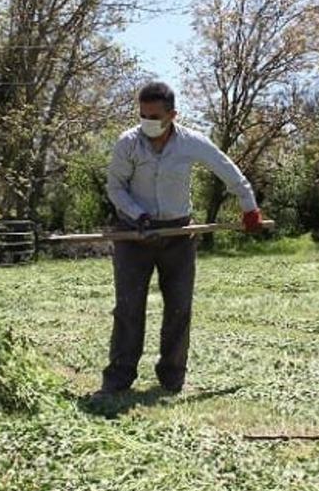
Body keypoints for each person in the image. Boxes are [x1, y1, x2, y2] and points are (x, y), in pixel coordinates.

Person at [97, 81, 264, 397]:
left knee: (179, 308)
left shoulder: (191, 142)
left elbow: (225, 168)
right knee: (129, 308)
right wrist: (138, 215)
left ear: (172, 115)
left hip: (178, 234)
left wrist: (249, 206)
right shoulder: (128, 143)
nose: (147, 121)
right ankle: (118, 378)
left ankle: (172, 377)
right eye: (143, 115)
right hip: (133, 233)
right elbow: (115, 187)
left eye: (154, 116)